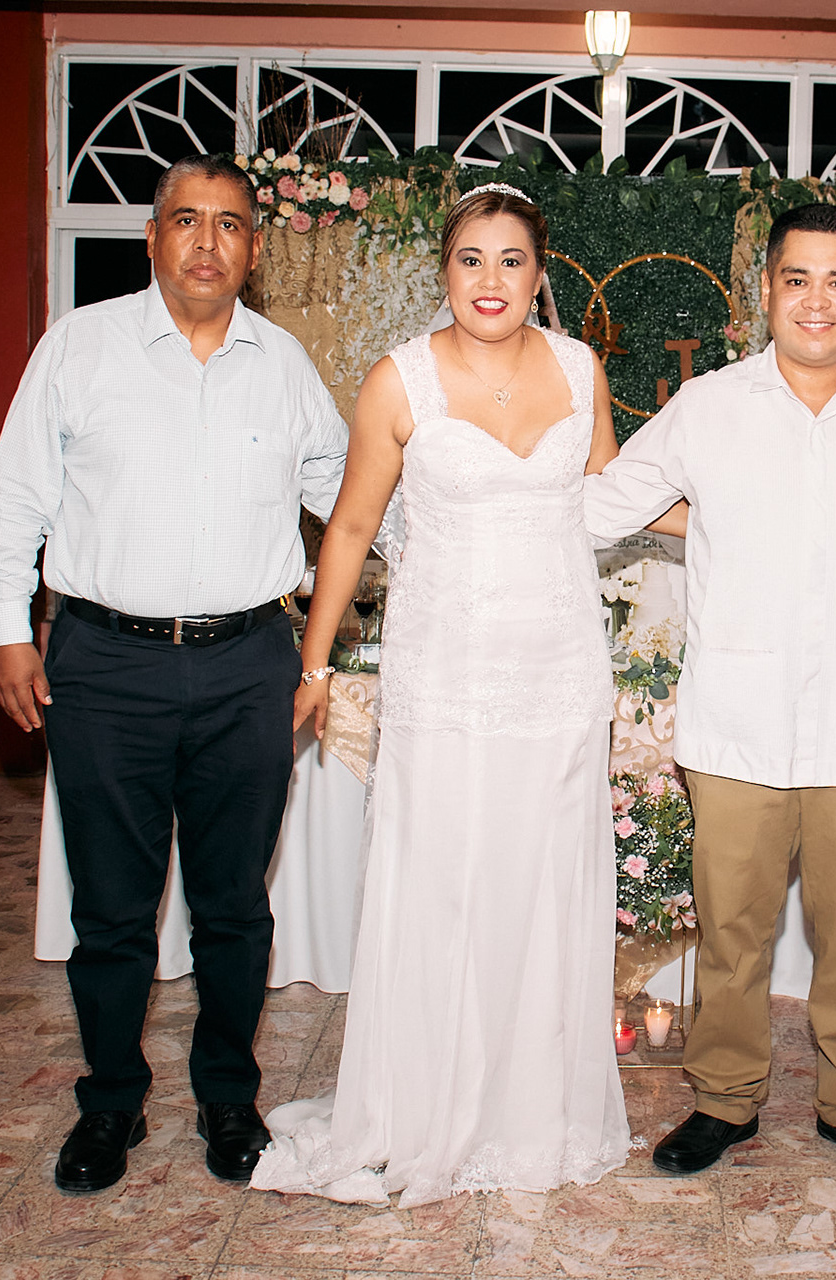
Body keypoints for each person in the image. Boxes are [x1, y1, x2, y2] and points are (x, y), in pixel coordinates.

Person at [252, 184, 675, 1206]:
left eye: (511, 260)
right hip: (443, 676)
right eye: (470, 259)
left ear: (541, 274)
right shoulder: (398, 379)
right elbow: (351, 529)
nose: (491, 280)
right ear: (444, 271)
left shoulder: (579, 368)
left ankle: (532, 1110)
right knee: (441, 885)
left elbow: (611, 495)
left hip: (558, 675)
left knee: (543, 884)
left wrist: (733, 514)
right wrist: (314, 664)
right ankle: (422, 1107)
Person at [0, 154, 349, 1194]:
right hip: (103, 664)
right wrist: (7, 628)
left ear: (253, 248)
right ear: (152, 236)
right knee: (112, 909)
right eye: (187, 219)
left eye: (229, 223)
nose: (207, 242)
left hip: (248, 665)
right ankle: (110, 1102)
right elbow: (11, 495)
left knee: (234, 907)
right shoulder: (79, 347)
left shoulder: (283, 364)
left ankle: (228, 1096)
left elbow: (347, 493)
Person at [584, 202, 836, 1182]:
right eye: (798, 279)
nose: (816, 300)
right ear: (766, 291)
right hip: (735, 724)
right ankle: (724, 1098)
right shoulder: (710, 407)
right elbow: (603, 504)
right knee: (732, 934)